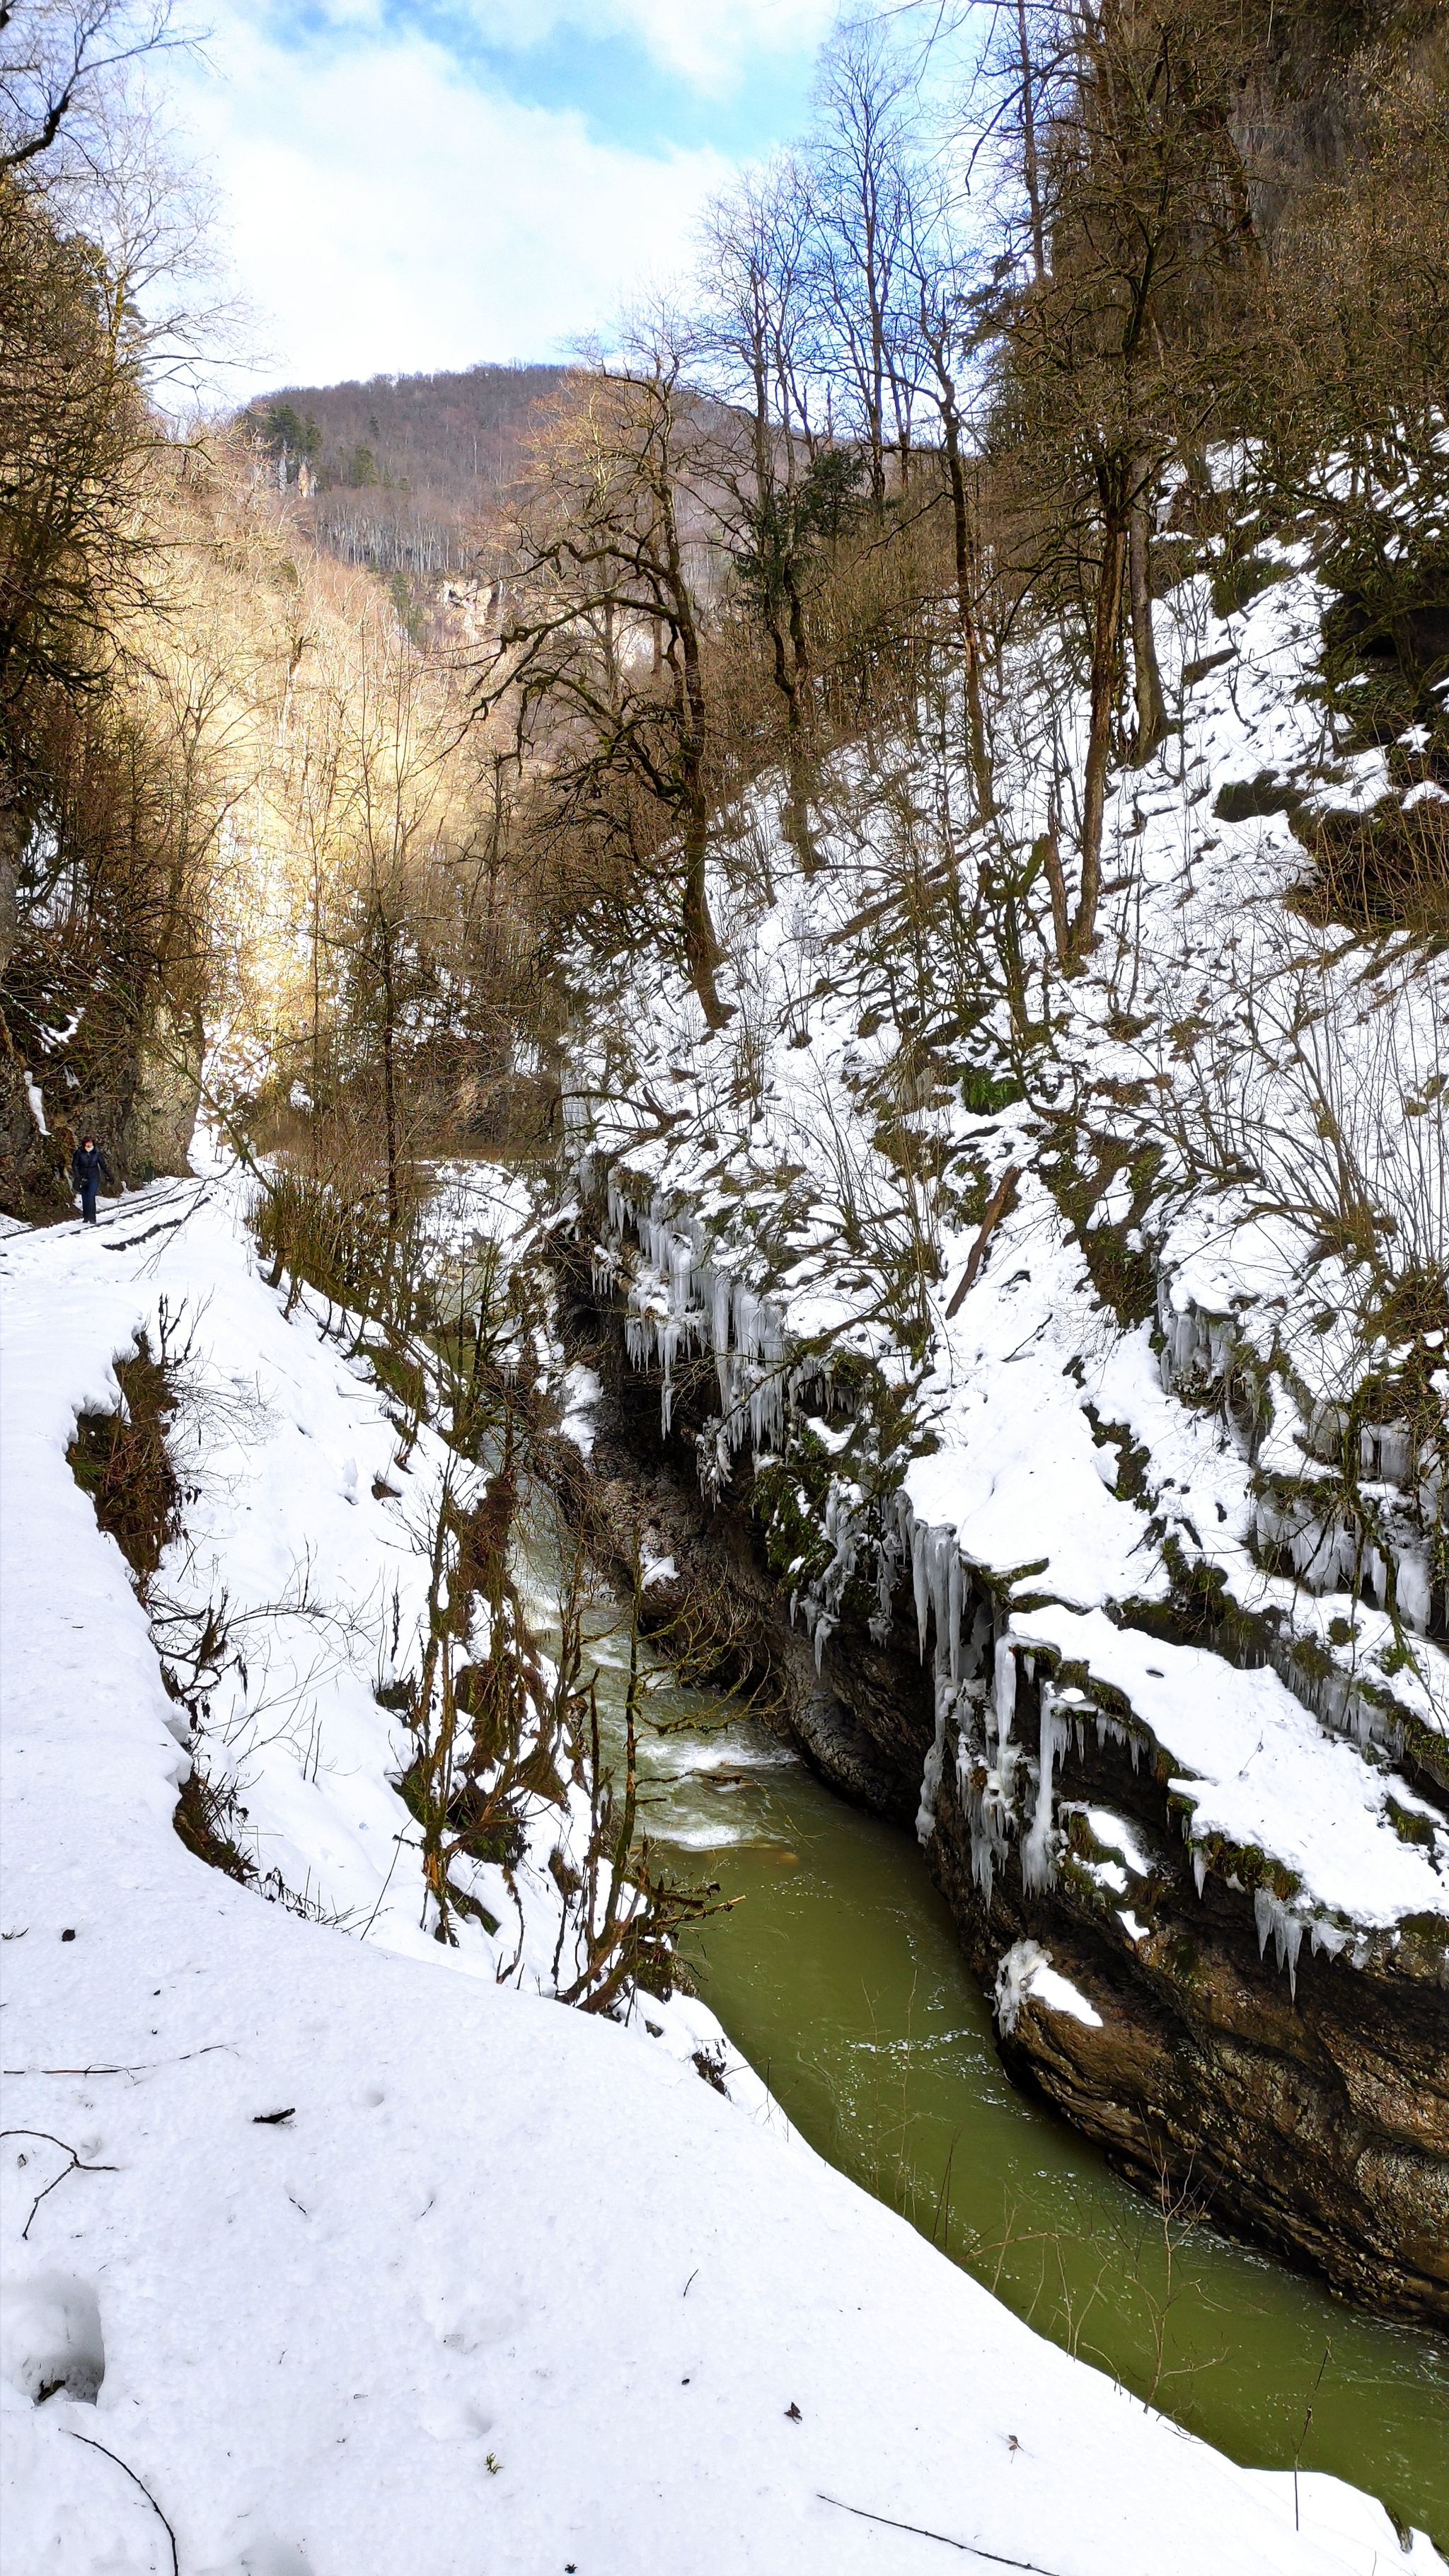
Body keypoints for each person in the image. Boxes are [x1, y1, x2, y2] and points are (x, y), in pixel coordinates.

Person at [70, 1135, 113, 1225]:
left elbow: (103, 1165)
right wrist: (77, 1176)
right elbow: (74, 1164)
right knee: (85, 1197)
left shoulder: (97, 1153)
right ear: (84, 1144)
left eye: (90, 1142)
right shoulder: (79, 1152)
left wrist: (109, 1175)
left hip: (94, 1178)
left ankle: (92, 1218)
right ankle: (86, 1217)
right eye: (87, 1143)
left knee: (91, 1197)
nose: (89, 1144)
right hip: (82, 1178)